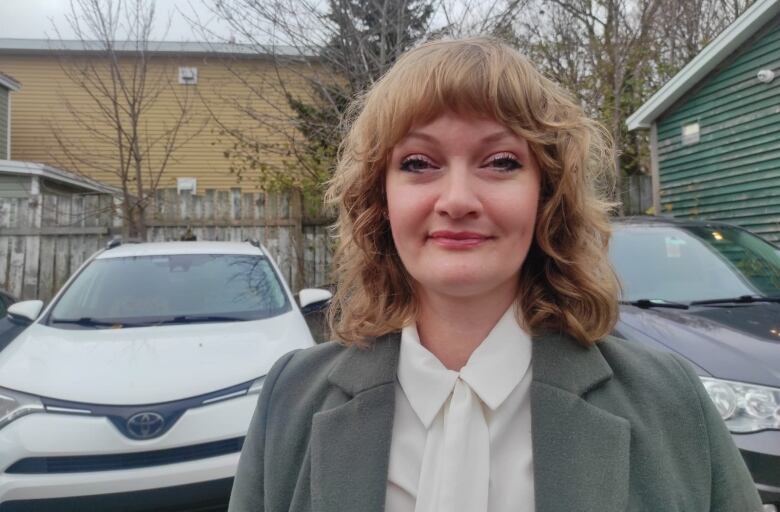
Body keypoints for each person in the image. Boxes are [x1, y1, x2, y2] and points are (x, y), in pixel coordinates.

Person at [228, 38, 762, 512]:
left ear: (546, 196)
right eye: (418, 163)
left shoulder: (670, 400)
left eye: (501, 161)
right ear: (380, 199)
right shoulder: (291, 399)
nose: (457, 200)